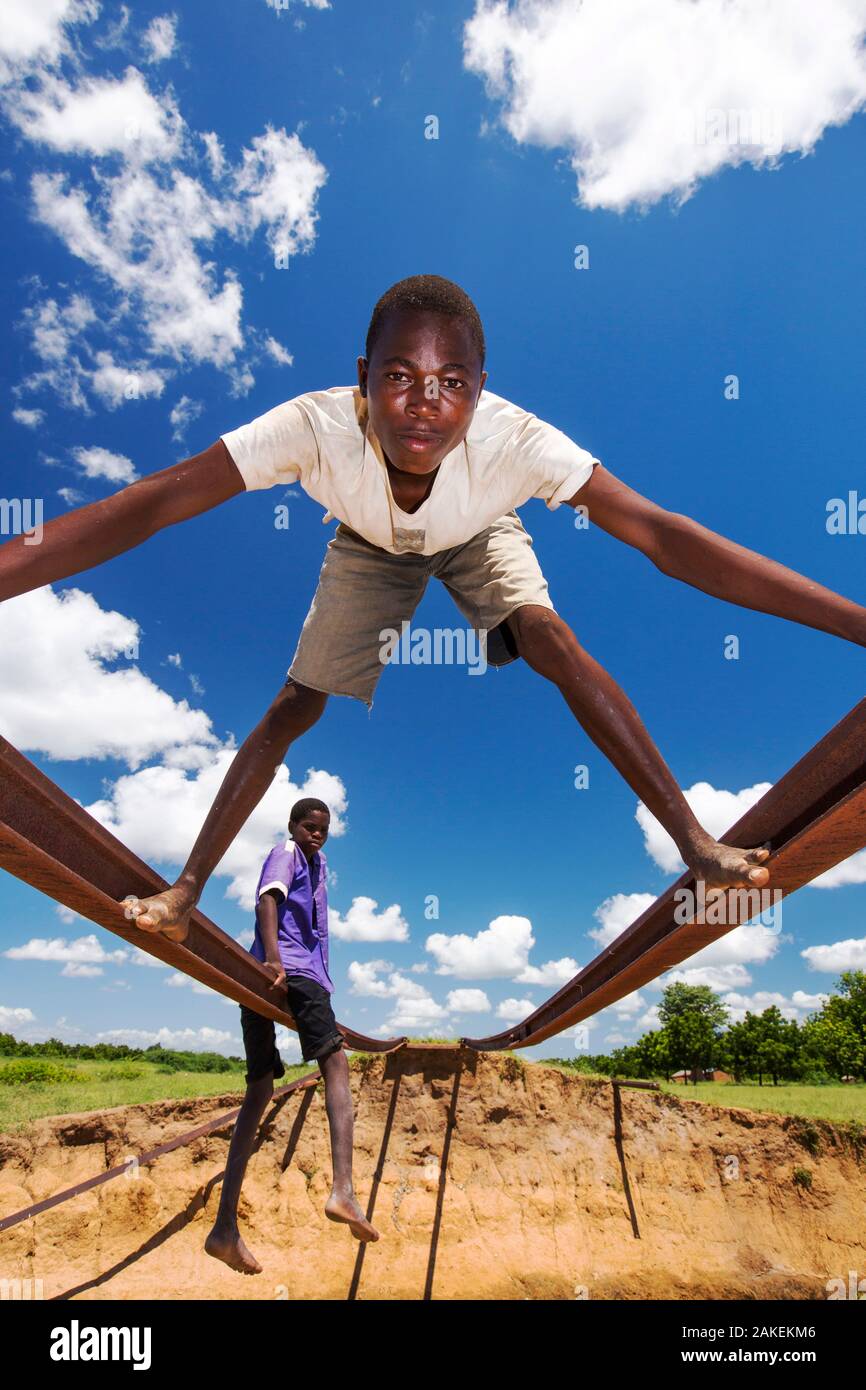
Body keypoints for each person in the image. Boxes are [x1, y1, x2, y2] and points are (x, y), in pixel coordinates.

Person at [3, 274, 866, 943]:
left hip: (479, 531)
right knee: (293, 706)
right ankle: (186, 890)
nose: (425, 403)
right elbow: (150, 503)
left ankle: (696, 843)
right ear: (363, 380)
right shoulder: (312, 427)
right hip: (367, 547)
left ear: (481, 390)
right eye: (401, 377)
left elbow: (667, 539)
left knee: (547, 634)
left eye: (453, 382)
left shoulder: (518, 444)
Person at [205, 797, 378, 1274]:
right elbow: (268, 898)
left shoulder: (317, 865)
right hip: (291, 971)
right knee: (336, 1063)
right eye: (308, 826)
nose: (315, 834)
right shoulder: (286, 852)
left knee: (260, 1086)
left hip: (279, 972)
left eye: (322, 829)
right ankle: (343, 1190)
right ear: (293, 826)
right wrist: (275, 960)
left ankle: (223, 1229)